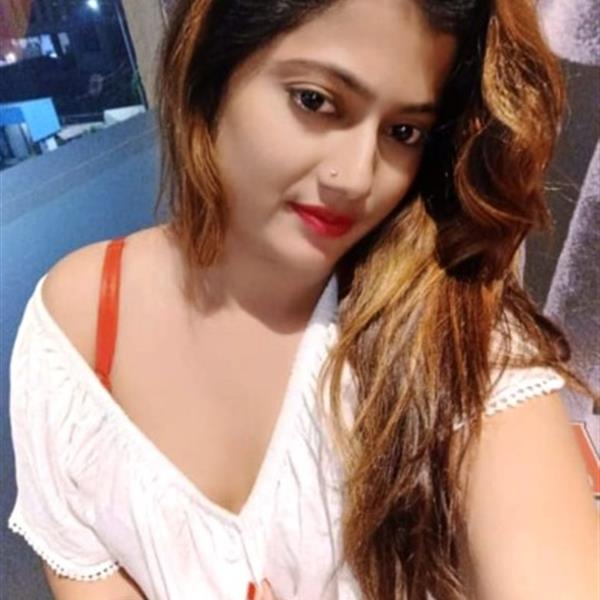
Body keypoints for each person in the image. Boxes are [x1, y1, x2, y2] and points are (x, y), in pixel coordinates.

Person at [7, 0, 598, 598]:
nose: (356, 176)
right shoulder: (78, 333)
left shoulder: (457, 335)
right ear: (216, 64)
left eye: (403, 132)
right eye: (315, 101)